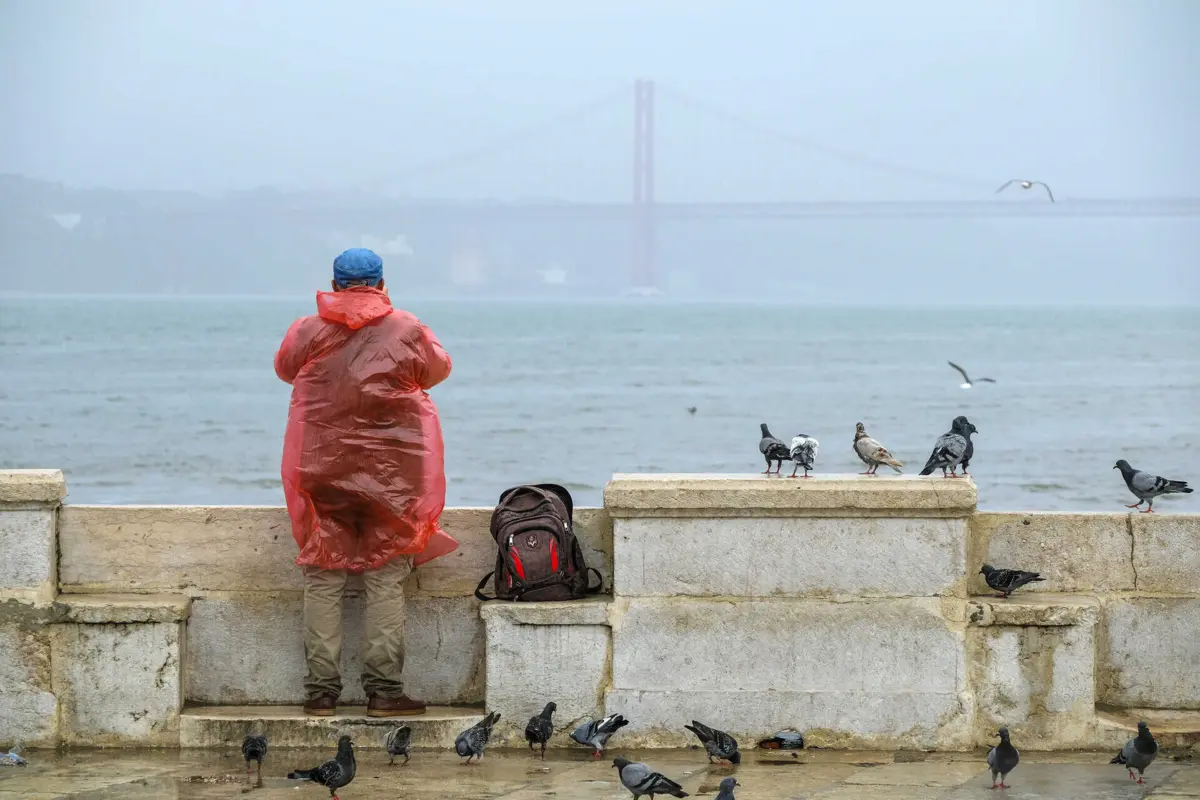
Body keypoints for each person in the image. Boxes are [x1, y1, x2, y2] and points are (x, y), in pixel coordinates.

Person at [275, 247, 457, 718]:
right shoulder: (408, 327)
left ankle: (321, 692)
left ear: (334, 285)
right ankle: (384, 691)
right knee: (385, 575)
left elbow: (285, 369)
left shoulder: (308, 329)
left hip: (323, 467)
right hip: (392, 474)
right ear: (381, 283)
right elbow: (437, 370)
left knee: (323, 573)